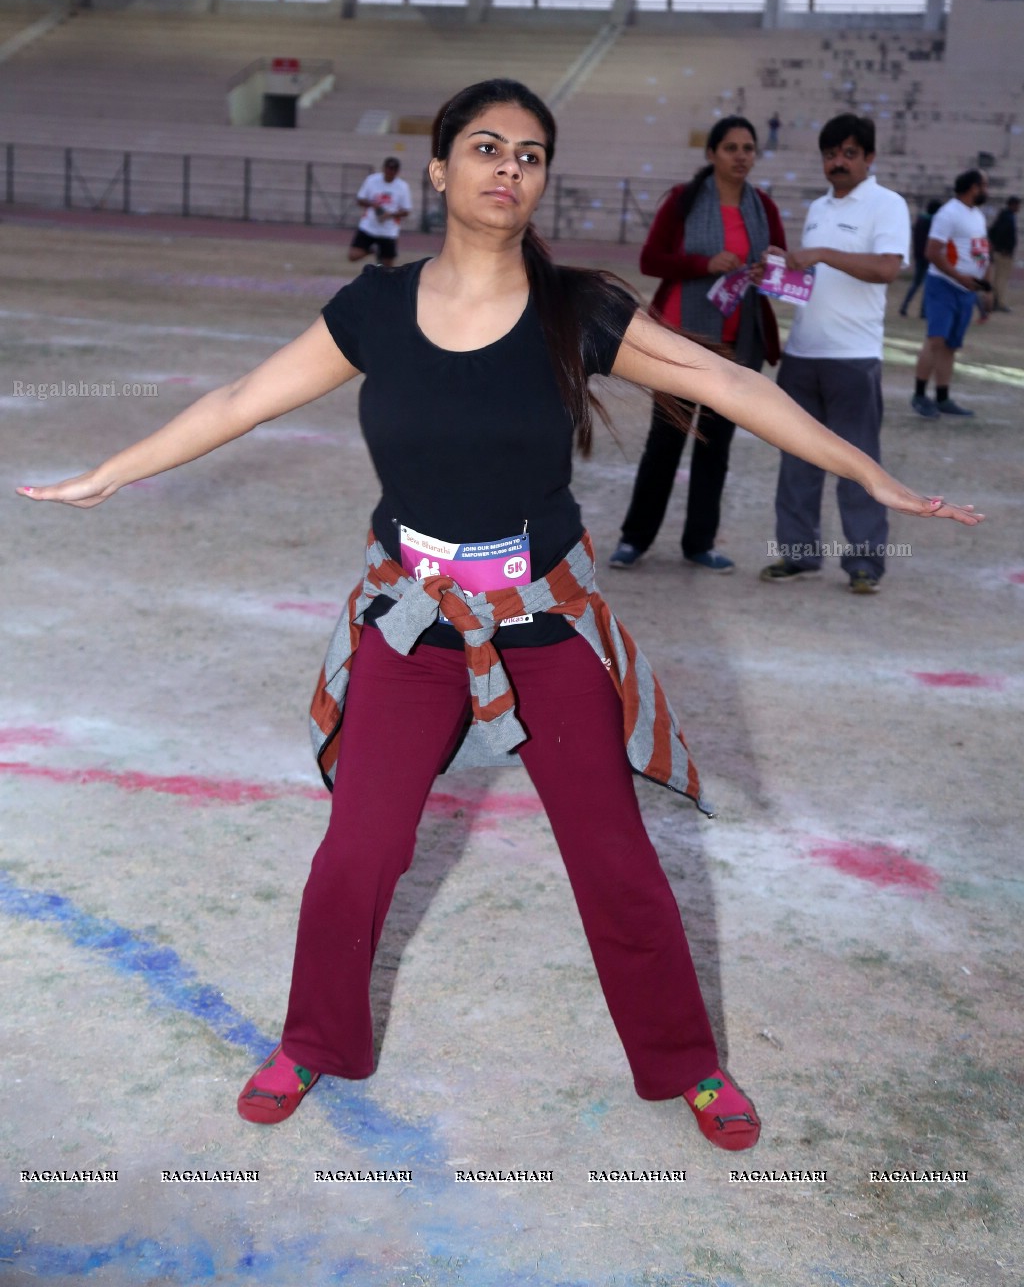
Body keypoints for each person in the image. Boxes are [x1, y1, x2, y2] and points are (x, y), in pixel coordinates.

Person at [19, 79, 981, 1154]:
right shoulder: (375, 309)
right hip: (411, 623)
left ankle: (686, 1064)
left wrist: (867, 474)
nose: (507, 168)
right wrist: (110, 469)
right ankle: (313, 1039)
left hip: (545, 617)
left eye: (528, 154)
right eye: (485, 147)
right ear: (439, 169)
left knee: (614, 855)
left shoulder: (578, 308)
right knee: (358, 852)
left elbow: (728, 384)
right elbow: (240, 401)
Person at [609, 117, 783, 575]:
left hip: (737, 347)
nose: (741, 156)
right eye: (731, 148)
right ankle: (634, 539)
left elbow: (780, 265)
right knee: (664, 444)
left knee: (715, 449)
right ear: (711, 154)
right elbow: (651, 260)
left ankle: (699, 543)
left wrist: (769, 270)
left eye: (748, 148)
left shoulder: (763, 206)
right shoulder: (683, 201)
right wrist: (704, 263)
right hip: (682, 345)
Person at [759, 114, 910, 595]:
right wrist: (782, 270)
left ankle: (864, 562)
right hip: (803, 352)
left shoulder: (887, 204)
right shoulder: (821, 207)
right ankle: (799, 554)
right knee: (798, 461)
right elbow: (815, 278)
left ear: (869, 157)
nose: (838, 162)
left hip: (853, 355)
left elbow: (888, 269)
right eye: (830, 153)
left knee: (858, 463)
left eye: (848, 153)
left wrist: (820, 253)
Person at [911, 169, 994, 419]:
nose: (987, 191)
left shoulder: (976, 215)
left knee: (951, 345)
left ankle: (943, 396)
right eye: (984, 185)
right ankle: (919, 395)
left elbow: (980, 253)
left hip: (966, 290)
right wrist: (960, 277)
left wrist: (985, 287)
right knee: (935, 340)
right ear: (973, 187)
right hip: (945, 286)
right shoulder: (949, 213)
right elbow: (932, 251)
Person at [349, 156, 412, 266]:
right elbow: (360, 200)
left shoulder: (402, 187)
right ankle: (373, 250)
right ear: (383, 168)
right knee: (353, 256)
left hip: (388, 230)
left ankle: (381, 258)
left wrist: (390, 215)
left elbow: (406, 211)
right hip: (369, 226)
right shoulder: (372, 180)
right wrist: (373, 205)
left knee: (388, 267)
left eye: (393, 169)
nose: (390, 172)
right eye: (388, 168)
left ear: (397, 171)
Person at [898, 199, 941, 317]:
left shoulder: (920, 220)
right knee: (927, 285)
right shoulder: (933, 223)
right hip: (927, 257)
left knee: (916, 284)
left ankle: (904, 306)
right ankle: (923, 311)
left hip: (919, 256)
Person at [987, 194, 1019, 312]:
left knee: (999, 277)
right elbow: (1001, 233)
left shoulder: (1005, 216)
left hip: (1000, 251)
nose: (1018, 208)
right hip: (1004, 253)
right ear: (1012, 205)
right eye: (1017, 205)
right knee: (1002, 278)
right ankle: (1000, 303)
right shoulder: (1007, 217)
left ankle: (996, 301)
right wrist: (1004, 248)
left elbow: (993, 231)